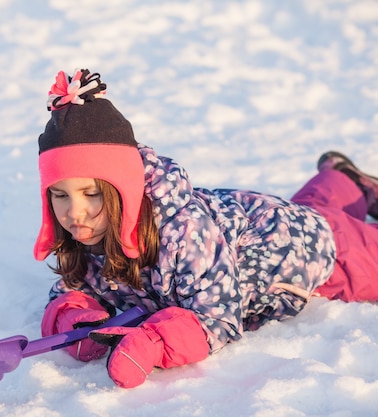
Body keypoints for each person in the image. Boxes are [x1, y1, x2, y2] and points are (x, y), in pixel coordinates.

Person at [34, 68, 378, 389]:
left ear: (122, 189)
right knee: (314, 211)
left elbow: (216, 318)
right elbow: (70, 289)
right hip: (259, 218)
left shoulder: (181, 233)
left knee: (332, 231)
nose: (74, 212)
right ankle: (343, 179)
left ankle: (344, 188)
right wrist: (74, 320)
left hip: (309, 249)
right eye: (60, 195)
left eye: (91, 194)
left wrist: (154, 344)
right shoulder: (87, 230)